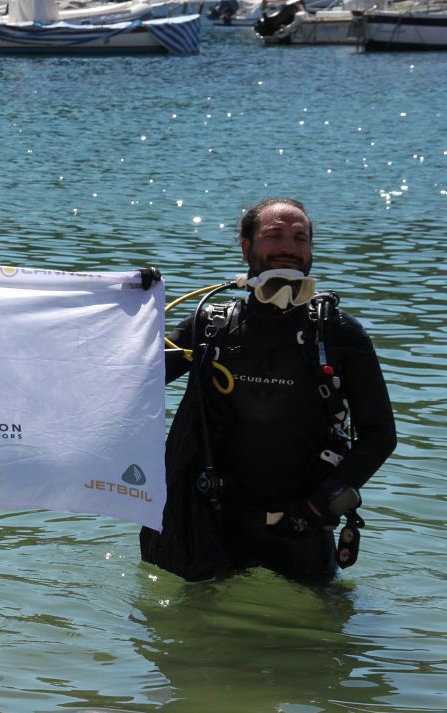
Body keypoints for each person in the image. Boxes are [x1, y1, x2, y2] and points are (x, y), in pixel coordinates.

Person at [142, 198, 396, 582]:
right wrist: (131, 307)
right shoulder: (212, 326)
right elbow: (134, 380)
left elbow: (380, 435)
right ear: (246, 246)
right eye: (274, 235)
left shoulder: (340, 334)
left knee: (312, 639)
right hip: (212, 521)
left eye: (300, 238)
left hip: (300, 526)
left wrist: (315, 509)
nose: (289, 248)